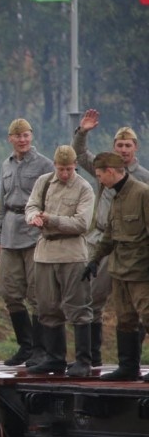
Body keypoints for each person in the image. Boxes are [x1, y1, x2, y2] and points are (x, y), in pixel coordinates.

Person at [72, 109, 149, 366]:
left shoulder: (142, 184)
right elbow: (81, 155)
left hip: (136, 253)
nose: (124, 149)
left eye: (128, 145)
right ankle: (104, 361)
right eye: (119, 145)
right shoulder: (106, 176)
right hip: (106, 244)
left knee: (143, 309)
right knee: (103, 303)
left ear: (135, 148)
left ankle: (133, 361)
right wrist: (82, 132)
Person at [23, 145, 95, 376]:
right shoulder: (44, 182)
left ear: (75, 165)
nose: (64, 173)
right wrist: (33, 217)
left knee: (78, 307)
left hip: (72, 253)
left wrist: (51, 219)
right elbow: (31, 204)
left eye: (69, 169)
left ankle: (84, 360)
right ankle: (54, 358)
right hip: (45, 252)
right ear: (55, 166)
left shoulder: (84, 188)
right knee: (47, 306)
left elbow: (82, 223)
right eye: (61, 169)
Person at [0, 119, 55, 367]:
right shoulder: (6, 165)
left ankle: (41, 350)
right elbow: (2, 201)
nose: (22, 140)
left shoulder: (44, 164)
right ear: (10, 138)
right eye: (17, 136)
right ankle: (25, 346)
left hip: (33, 233)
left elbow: (51, 199)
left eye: (26, 135)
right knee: (10, 293)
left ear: (32, 136)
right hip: (10, 232)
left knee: (36, 293)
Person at [85, 153, 149, 381]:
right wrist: (94, 259)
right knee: (125, 319)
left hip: (141, 270)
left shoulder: (142, 193)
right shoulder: (114, 196)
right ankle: (128, 367)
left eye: (100, 175)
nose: (99, 179)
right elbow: (109, 235)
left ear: (111, 171)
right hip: (119, 268)